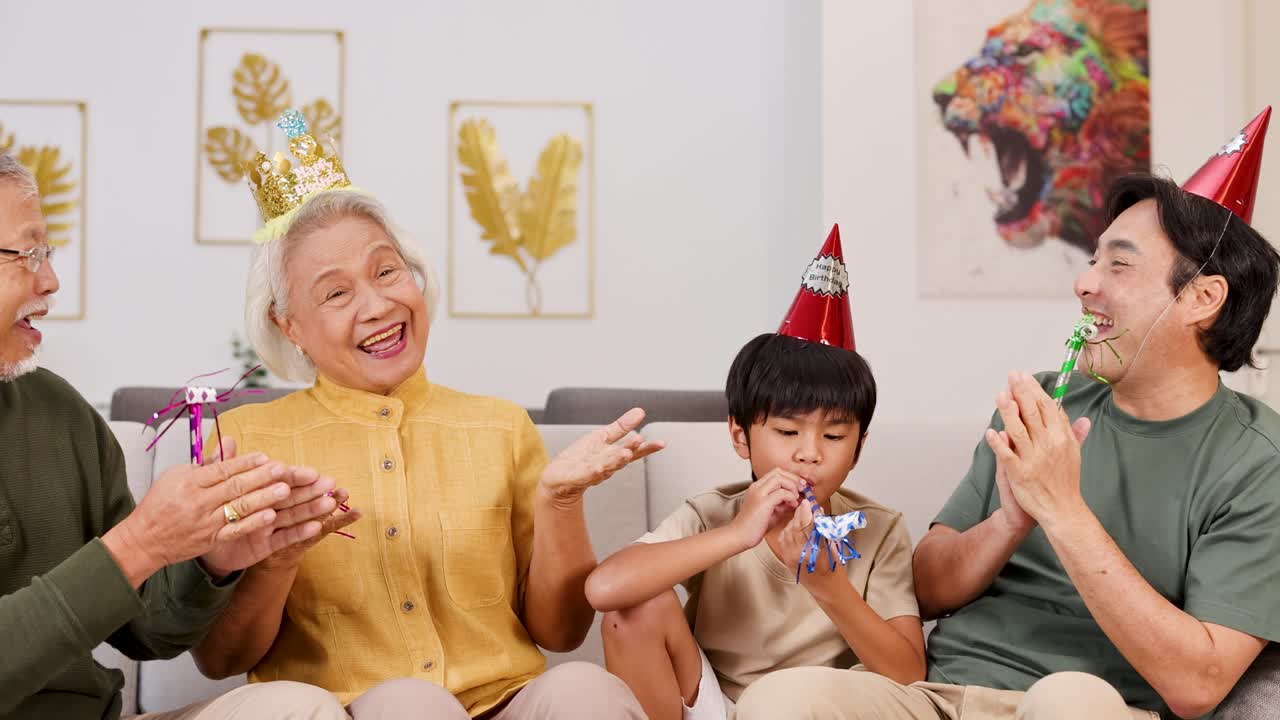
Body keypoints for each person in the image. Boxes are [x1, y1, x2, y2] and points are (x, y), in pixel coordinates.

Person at [734, 108, 1280, 720]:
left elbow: (1198, 683)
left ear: (1202, 299)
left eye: (1117, 265)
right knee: (783, 699)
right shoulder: (1043, 404)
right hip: (938, 697)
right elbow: (930, 588)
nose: (1084, 282)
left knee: (1067, 702)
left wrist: (1062, 509)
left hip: (1090, 706)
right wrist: (1009, 522)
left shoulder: (1258, 464)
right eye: (1092, 259)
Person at [189, 109, 653, 719]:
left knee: (585, 690)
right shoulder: (244, 442)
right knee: (414, 706)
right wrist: (277, 560)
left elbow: (561, 633)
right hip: (351, 711)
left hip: (506, 701)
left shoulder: (503, 427)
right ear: (289, 325)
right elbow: (221, 658)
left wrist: (560, 503)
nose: (379, 304)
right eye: (336, 292)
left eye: (386, 270)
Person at [0, 153, 350, 720]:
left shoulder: (57, 411)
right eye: (27, 253)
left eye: (49, 253)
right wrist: (139, 544)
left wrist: (212, 563)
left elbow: (151, 632)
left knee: (296, 708)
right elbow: (130, 554)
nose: (50, 279)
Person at [587, 226, 924, 720]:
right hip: (708, 702)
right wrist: (740, 532)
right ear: (740, 435)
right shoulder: (712, 513)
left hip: (816, 707)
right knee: (632, 609)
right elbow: (604, 591)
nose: (810, 454)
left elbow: (909, 674)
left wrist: (827, 586)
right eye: (788, 433)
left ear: (858, 448)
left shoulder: (879, 528)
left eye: (833, 437)